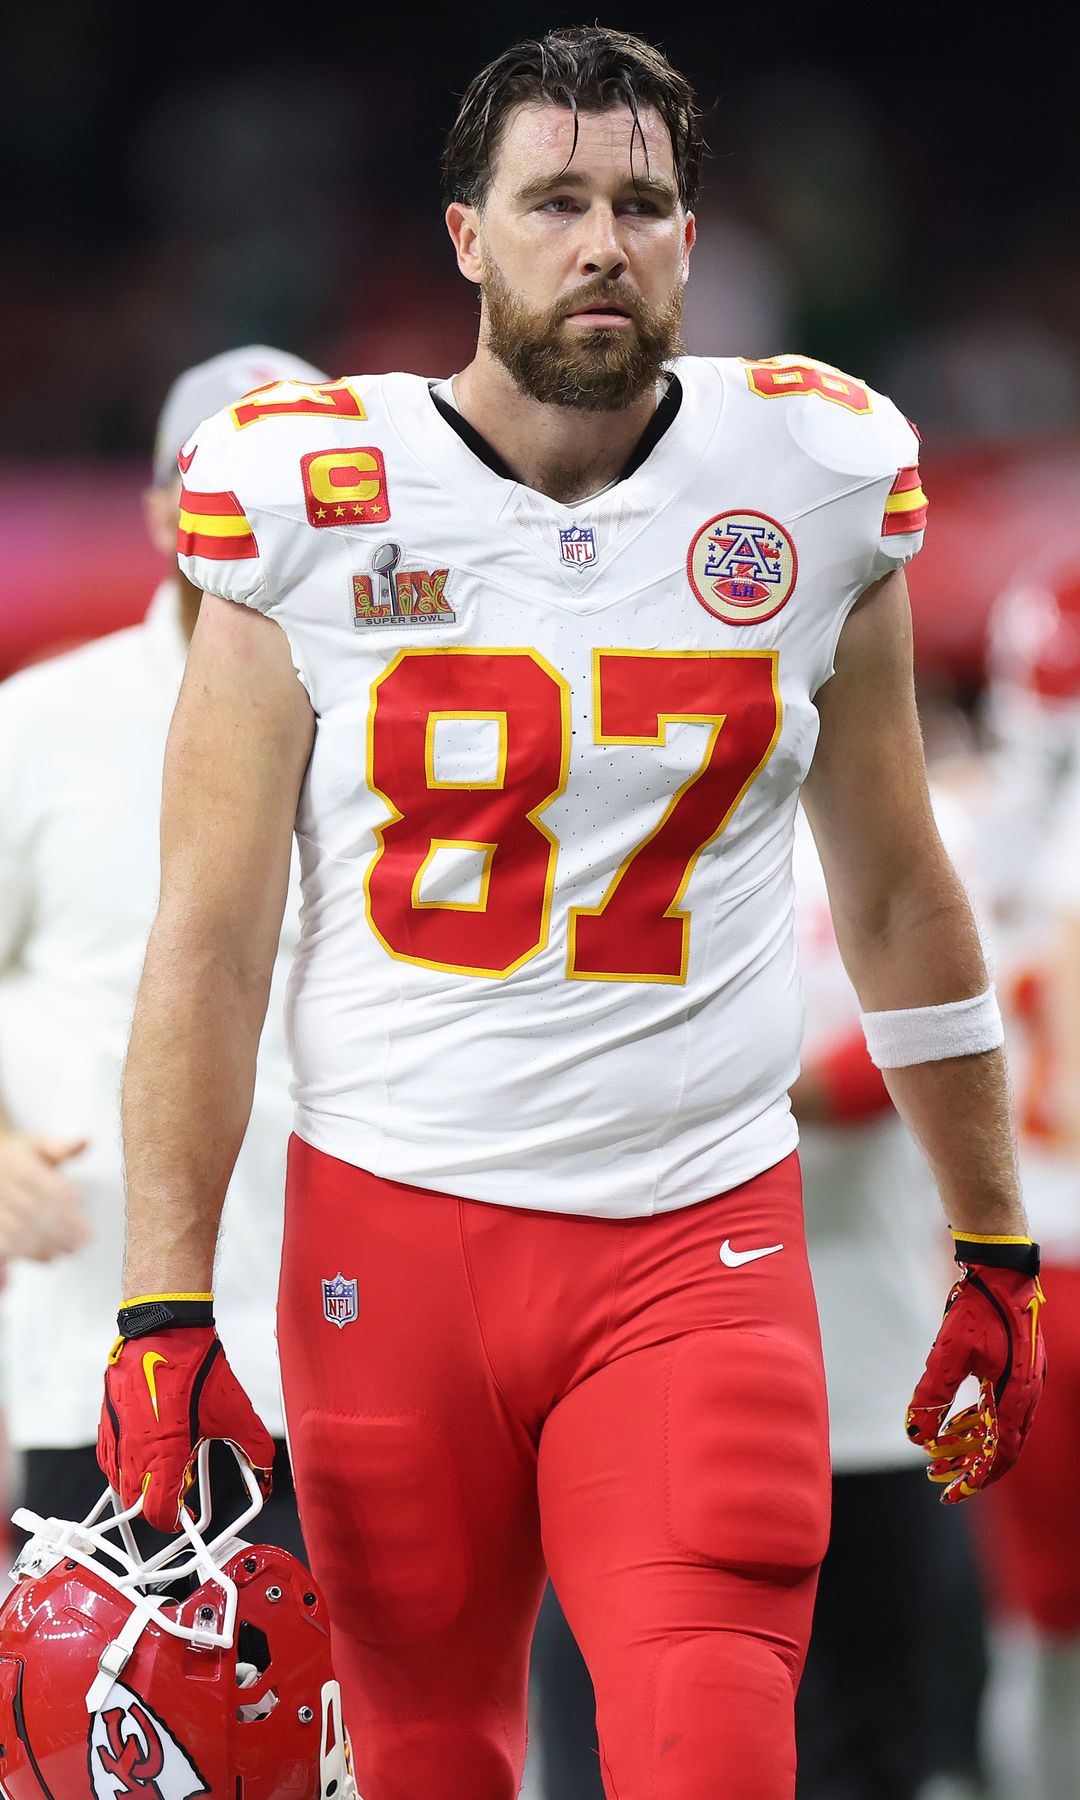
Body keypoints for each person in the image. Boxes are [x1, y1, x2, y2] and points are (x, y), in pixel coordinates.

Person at [97, 28, 1045, 1800]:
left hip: (701, 1240)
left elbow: (902, 887)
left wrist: (990, 1235)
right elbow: (211, 941)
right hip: (395, 1230)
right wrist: (164, 1305)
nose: (602, 240)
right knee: (434, 1762)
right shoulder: (309, 494)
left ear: (695, 237)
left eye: (644, 203)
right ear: (466, 235)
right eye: (557, 201)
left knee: (712, 1754)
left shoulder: (815, 476)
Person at [0, 345, 323, 1553]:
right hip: (104, 1364)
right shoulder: (43, 724)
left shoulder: (406, 719)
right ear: (157, 511)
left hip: (359, 1366)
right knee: (94, 1742)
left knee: (364, 1747)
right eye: (224, 485)